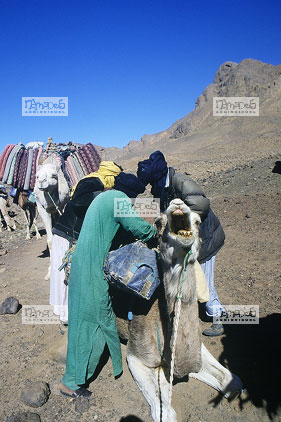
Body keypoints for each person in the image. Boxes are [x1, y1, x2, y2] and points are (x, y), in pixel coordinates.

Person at [60, 173, 157, 398]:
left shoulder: (102, 199)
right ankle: (72, 382)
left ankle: (73, 376)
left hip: (80, 269)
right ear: (130, 194)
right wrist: (154, 233)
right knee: (96, 325)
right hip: (92, 274)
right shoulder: (119, 200)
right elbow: (138, 227)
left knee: (79, 323)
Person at [137, 150, 225, 336]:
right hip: (189, 238)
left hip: (206, 237)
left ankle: (218, 316)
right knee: (193, 273)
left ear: (158, 175)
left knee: (205, 278)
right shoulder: (161, 188)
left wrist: (176, 221)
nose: (151, 186)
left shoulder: (180, 181)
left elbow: (200, 204)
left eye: (152, 181)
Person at [50, 161, 122, 324]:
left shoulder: (98, 184)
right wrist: (105, 197)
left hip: (73, 234)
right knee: (64, 273)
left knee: (71, 273)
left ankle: (69, 312)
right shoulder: (91, 182)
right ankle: (65, 315)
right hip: (66, 233)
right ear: (110, 175)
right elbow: (79, 201)